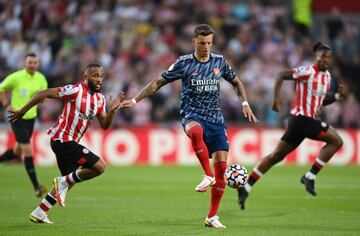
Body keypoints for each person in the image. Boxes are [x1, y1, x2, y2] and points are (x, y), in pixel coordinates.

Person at [121, 24, 258, 228]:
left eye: (209, 43)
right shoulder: (184, 63)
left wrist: (245, 103)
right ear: (194, 41)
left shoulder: (219, 61)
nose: (206, 47)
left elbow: (237, 82)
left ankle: (212, 216)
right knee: (195, 132)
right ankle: (207, 175)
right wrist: (134, 100)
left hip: (216, 120)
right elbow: (157, 83)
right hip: (192, 115)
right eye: (202, 43)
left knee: (222, 171)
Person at [9, 62, 123, 224]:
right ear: (86, 76)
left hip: (69, 142)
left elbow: (105, 125)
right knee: (99, 167)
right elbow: (43, 93)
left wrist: (112, 110)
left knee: (68, 183)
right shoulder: (75, 90)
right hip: (62, 140)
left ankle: (40, 211)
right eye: (95, 75)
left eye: (101, 76)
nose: (99, 79)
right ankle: (62, 182)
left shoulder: (99, 99)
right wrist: (23, 110)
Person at [238, 42, 346, 210]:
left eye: (328, 57)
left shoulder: (327, 77)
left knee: (276, 156)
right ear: (316, 57)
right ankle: (310, 176)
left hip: (302, 123)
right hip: (301, 119)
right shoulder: (307, 71)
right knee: (337, 141)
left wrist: (338, 96)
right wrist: (276, 99)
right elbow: (282, 75)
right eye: (321, 56)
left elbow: (321, 100)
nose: (325, 60)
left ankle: (246, 186)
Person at [0, 53, 48, 197]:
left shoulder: (41, 78)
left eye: (35, 63)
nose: (32, 65)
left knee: (17, 151)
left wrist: (40, 98)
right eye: (30, 62)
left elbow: (43, 98)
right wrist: (7, 104)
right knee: (28, 150)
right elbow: (1, 89)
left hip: (31, 118)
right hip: (17, 117)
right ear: (24, 63)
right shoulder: (16, 77)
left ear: (38, 64)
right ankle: (37, 187)